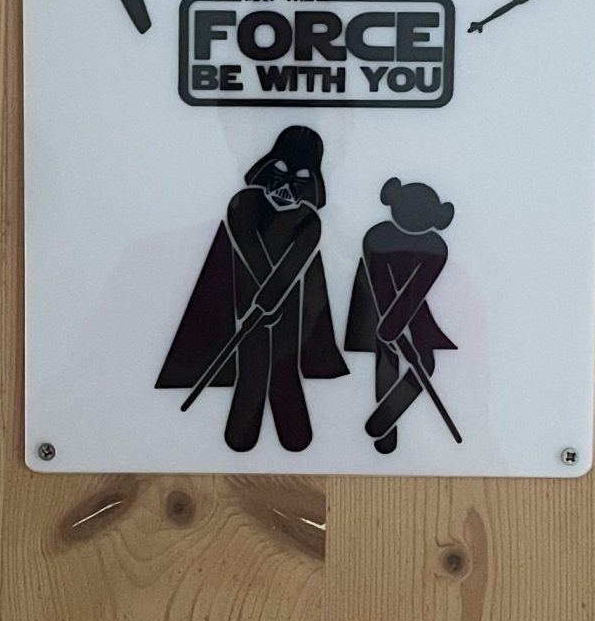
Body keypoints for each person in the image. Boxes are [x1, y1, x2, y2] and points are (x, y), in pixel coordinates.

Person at [158, 125, 346, 453]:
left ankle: (296, 436)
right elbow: (251, 253)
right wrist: (260, 302)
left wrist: (271, 300)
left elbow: (292, 265)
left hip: (288, 303)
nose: (285, 186)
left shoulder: (310, 221)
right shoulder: (243, 204)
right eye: (280, 171)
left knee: (284, 367)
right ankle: (240, 437)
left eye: (301, 177)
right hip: (247, 298)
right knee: (253, 366)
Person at [345, 178, 456, 452]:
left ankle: (381, 422)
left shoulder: (435, 247)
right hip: (375, 303)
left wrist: (394, 328)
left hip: (412, 306)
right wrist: (389, 329)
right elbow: (379, 282)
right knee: (385, 362)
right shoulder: (377, 236)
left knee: (424, 361)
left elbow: (417, 288)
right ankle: (385, 439)